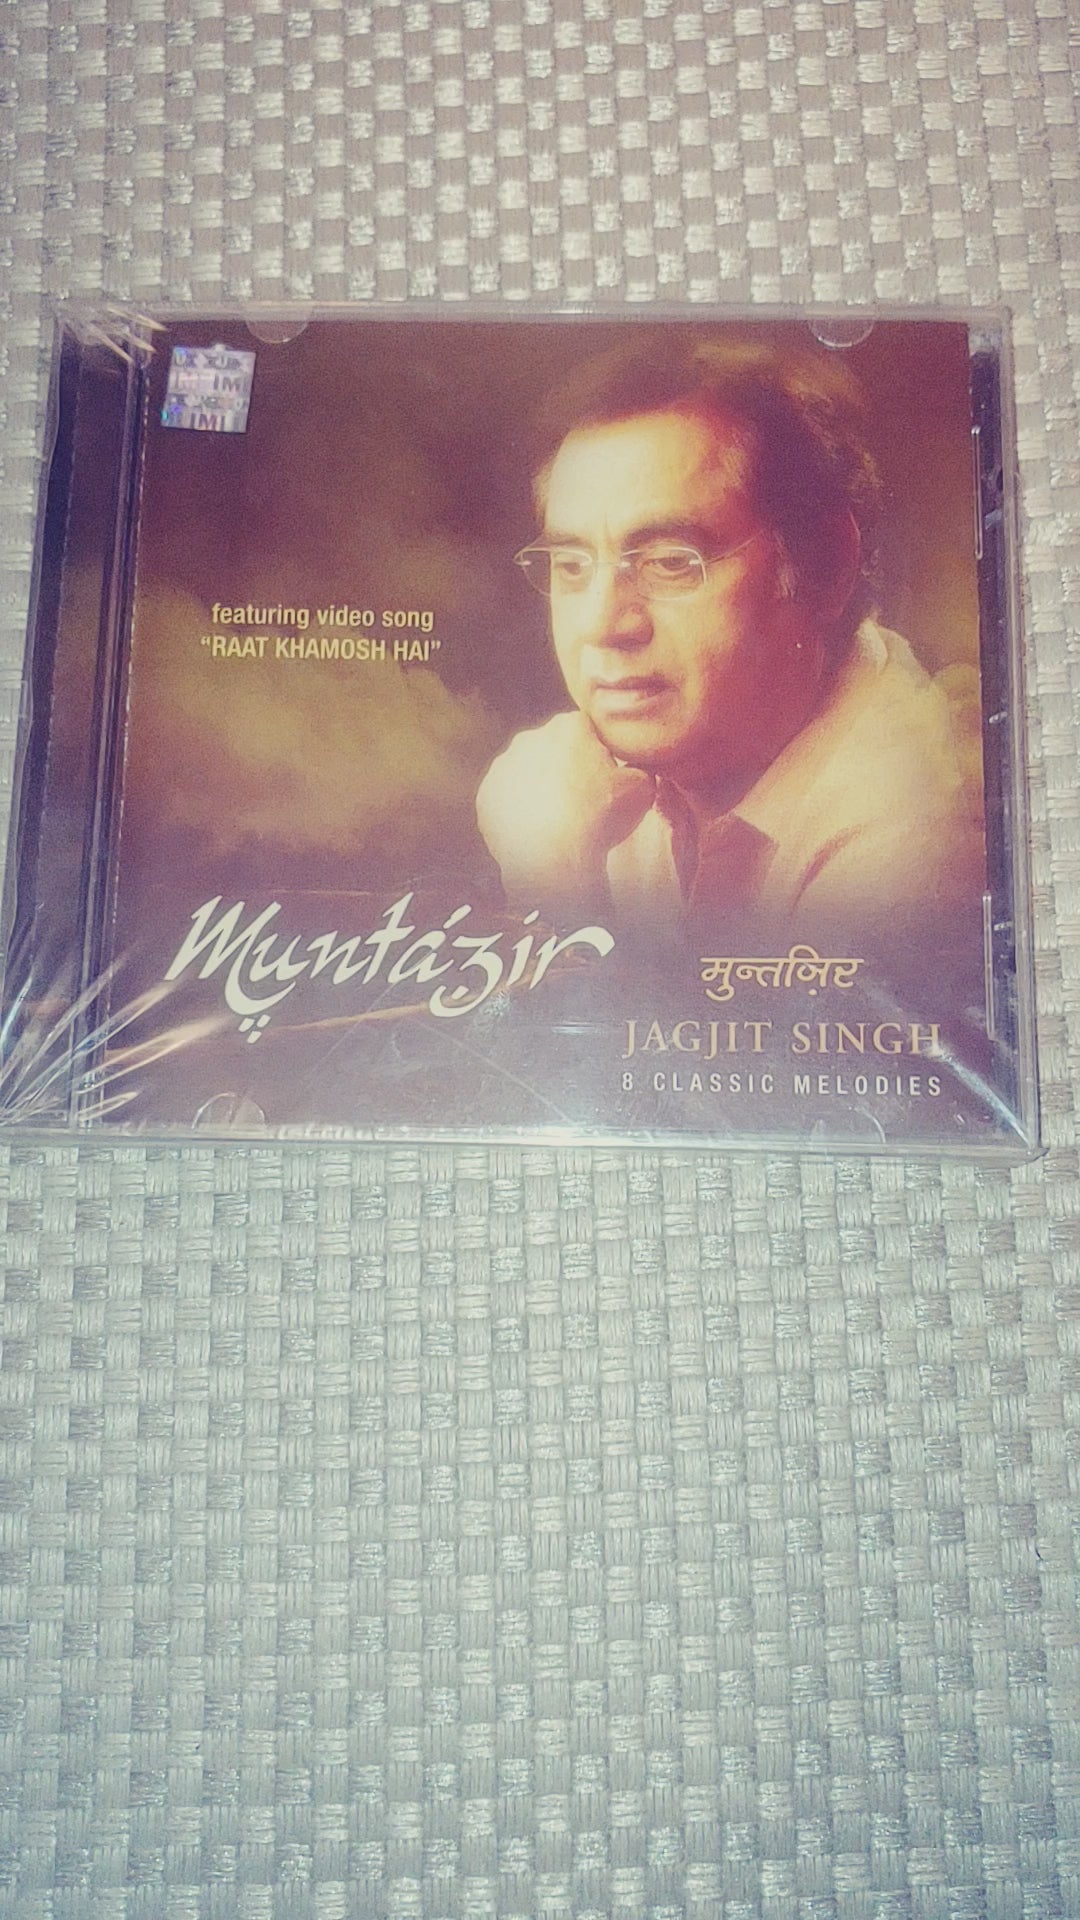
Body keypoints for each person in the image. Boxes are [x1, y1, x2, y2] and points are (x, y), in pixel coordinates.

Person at [475, 336, 985, 954]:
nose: (603, 625)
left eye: (670, 561)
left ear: (825, 566)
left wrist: (552, 880)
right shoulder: (612, 770)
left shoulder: (914, 840)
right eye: (572, 565)